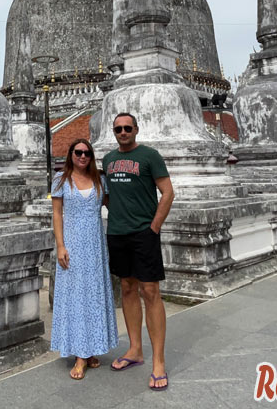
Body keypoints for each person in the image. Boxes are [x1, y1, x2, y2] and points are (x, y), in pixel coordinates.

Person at [102, 112, 174, 392]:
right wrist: (117, 214)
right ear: (114, 131)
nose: (123, 132)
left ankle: (158, 361)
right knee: (128, 288)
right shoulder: (108, 160)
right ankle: (135, 349)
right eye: (118, 129)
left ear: (136, 130)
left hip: (144, 233)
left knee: (151, 291)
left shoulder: (149, 156)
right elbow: (107, 194)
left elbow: (167, 192)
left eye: (127, 128)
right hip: (117, 232)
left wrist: (153, 227)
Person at [50, 138, 119, 380]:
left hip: (96, 246)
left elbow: (115, 207)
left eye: (87, 153)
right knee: (77, 297)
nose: (82, 156)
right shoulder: (61, 180)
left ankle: (91, 349)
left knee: (94, 295)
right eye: (78, 152)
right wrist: (60, 245)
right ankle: (80, 354)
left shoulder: (100, 181)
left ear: (91, 156)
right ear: (70, 155)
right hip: (72, 244)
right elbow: (57, 213)